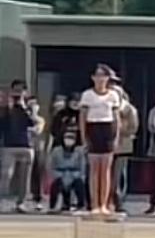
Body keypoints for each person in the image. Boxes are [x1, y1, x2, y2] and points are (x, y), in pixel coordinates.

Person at [78, 63, 122, 214]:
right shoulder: (87, 95)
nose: (100, 79)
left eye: (103, 76)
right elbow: (82, 117)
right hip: (93, 129)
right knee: (94, 169)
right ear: (93, 78)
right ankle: (95, 204)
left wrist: (116, 137)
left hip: (107, 130)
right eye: (97, 75)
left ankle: (104, 204)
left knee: (106, 170)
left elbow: (117, 118)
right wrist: (84, 137)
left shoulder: (113, 95)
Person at [0, 81, 41, 212]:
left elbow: (34, 123)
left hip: (26, 145)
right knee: (6, 174)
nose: (18, 93)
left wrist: (26, 108)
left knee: (25, 177)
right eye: (15, 90)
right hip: (9, 145)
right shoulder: (5, 107)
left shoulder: (30, 107)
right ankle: (2, 200)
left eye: (21, 90)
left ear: (26, 93)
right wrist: (9, 107)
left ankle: (21, 202)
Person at [112, 83, 139, 211]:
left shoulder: (129, 109)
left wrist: (119, 129)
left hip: (123, 146)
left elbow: (133, 128)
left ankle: (118, 200)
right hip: (107, 145)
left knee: (119, 176)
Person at [46, 129, 88, 211]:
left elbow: (82, 167)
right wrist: (58, 175)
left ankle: (81, 206)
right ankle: (52, 206)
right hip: (60, 174)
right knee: (56, 185)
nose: (68, 140)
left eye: (71, 138)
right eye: (67, 137)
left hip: (74, 174)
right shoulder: (56, 151)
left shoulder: (79, 152)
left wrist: (75, 176)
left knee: (79, 184)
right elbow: (50, 166)